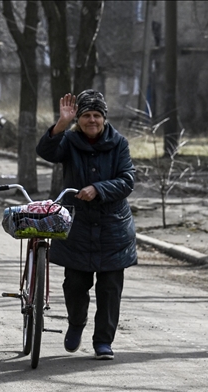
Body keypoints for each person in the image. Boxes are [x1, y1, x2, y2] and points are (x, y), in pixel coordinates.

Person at [35, 89, 137, 360]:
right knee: (75, 284)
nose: (92, 120)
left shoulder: (119, 143)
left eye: (96, 115)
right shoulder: (69, 140)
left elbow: (127, 180)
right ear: (78, 119)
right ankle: (76, 323)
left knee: (110, 289)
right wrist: (61, 123)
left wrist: (98, 188)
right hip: (78, 225)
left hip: (113, 227)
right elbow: (46, 152)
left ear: (104, 118)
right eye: (86, 115)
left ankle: (103, 341)